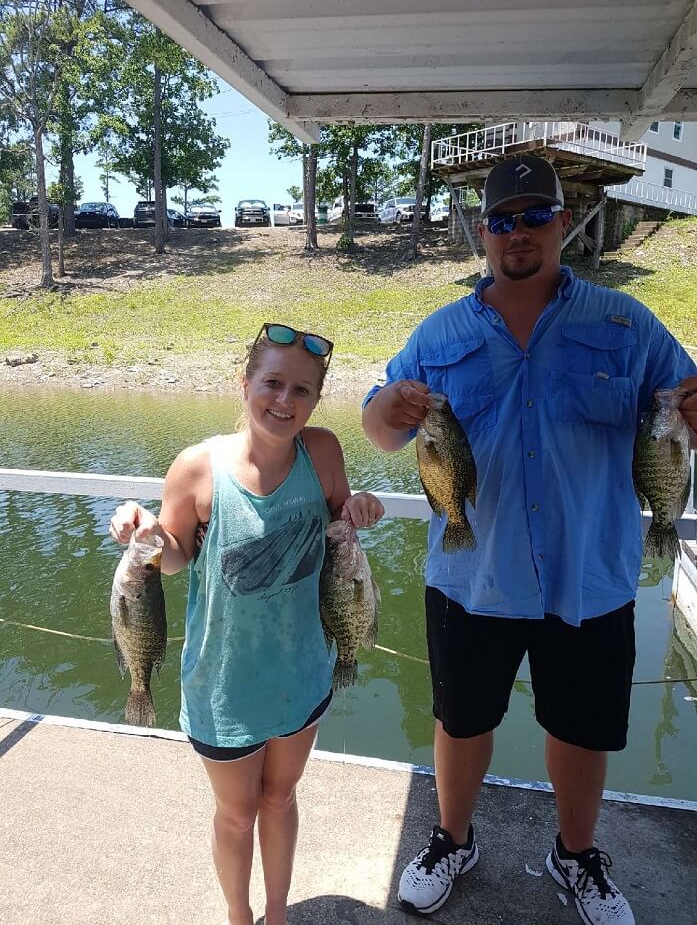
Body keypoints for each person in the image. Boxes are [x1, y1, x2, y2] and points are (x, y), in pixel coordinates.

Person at [362, 154, 697, 925]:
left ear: (562, 221)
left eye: (534, 215)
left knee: (581, 729)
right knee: (460, 719)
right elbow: (379, 429)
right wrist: (391, 409)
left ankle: (575, 856)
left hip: (590, 573)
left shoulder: (626, 322)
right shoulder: (439, 329)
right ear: (482, 232)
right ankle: (451, 838)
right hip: (470, 571)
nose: (519, 232)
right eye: (503, 220)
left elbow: (677, 410)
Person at [110, 322, 384, 925]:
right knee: (236, 815)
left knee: (281, 798)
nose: (285, 402)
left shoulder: (325, 452)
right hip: (223, 682)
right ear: (246, 384)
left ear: (316, 400)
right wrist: (149, 535)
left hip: (303, 671)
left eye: (302, 391)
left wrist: (361, 504)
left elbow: (341, 524)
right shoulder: (197, 467)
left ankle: (277, 913)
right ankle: (240, 916)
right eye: (273, 383)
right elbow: (177, 556)